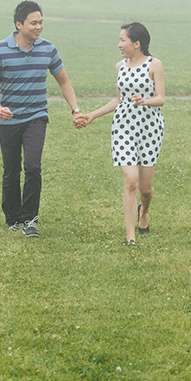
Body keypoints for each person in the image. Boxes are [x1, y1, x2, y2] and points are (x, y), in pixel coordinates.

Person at [0, 1, 81, 238]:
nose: (39, 27)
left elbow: (64, 82)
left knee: (32, 166)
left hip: (36, 116)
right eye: (34, 23)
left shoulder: (48, 49)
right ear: (19, 25)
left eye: (41, 22)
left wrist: (75, 109)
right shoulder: (0, 49)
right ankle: (11, 218)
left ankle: (29, 219)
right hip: (9, 119)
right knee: (11, 171)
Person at [75, 22, 163, 245]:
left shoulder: (155, 65)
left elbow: (161, 98)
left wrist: (146, 101)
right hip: (123, 128)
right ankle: (130, 237)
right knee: (131, 181)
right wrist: (92, 115)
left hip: (150, 129)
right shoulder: (119, 67)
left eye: (123, 40)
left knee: (146, 188)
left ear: (137, 43)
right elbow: (118, 99)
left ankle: (144, 212)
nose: (119, 44)